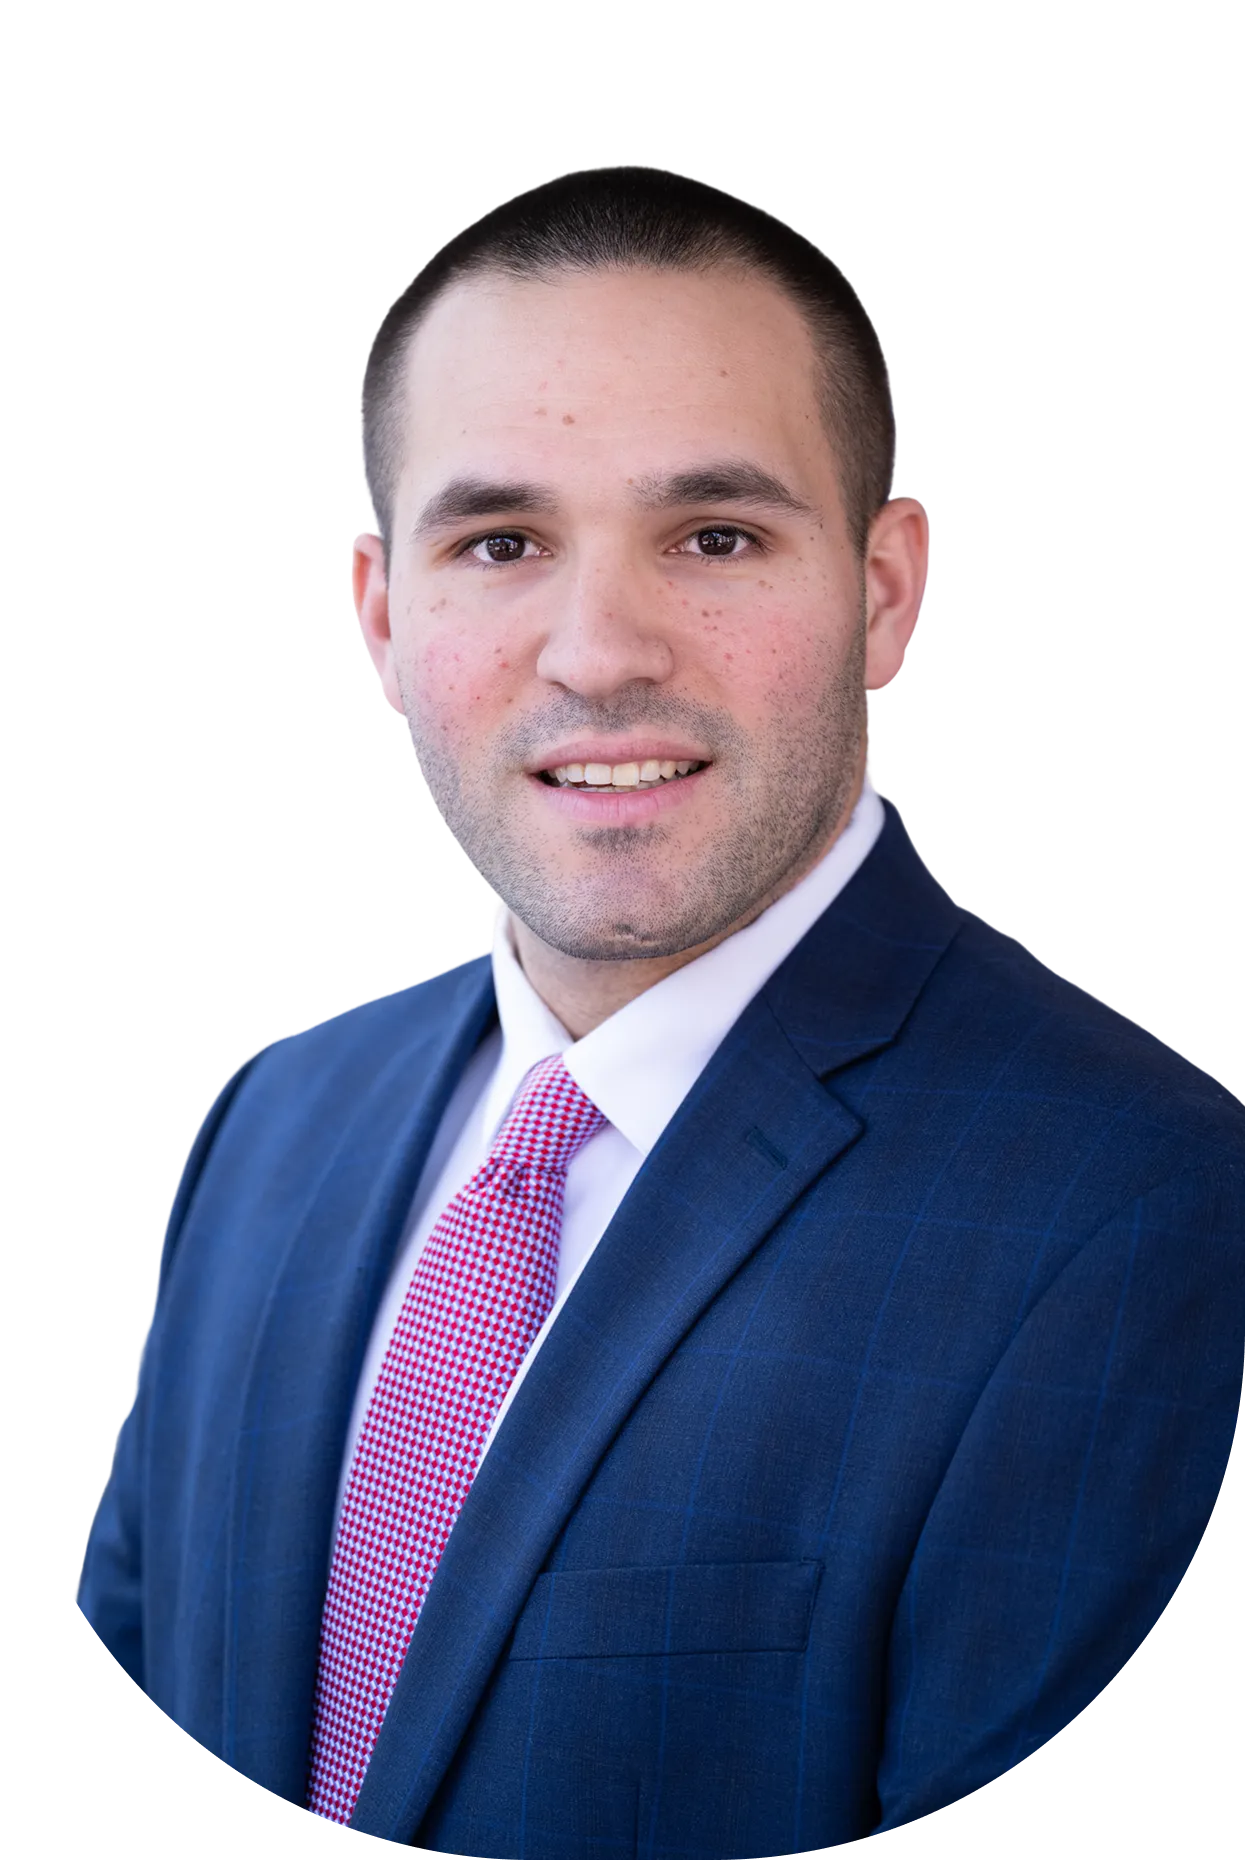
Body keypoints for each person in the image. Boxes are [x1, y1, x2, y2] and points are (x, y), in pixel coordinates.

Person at [73, 164, 1244, 1856]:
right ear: (381, 613)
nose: (599, 649)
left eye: (714, 535)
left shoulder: (1152, 1216)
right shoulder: (274, 1118)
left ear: (888, 590)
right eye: (500, 541)